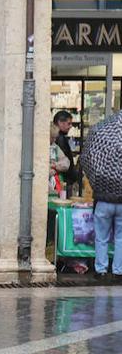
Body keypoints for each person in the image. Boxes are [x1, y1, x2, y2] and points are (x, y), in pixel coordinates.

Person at [80, 117, 122, 281]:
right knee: (120, 238)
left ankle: (101, 269)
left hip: (103, 202)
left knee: (101, 237)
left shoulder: (102, 153)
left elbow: (87, 162)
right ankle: (118, 271)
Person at [53, 110, 80, 193]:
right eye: (69, 123)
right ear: (60, 123)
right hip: (64, 180)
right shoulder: (60, 138)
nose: (71, 126)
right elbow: (65, 162)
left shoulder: (59, 137)